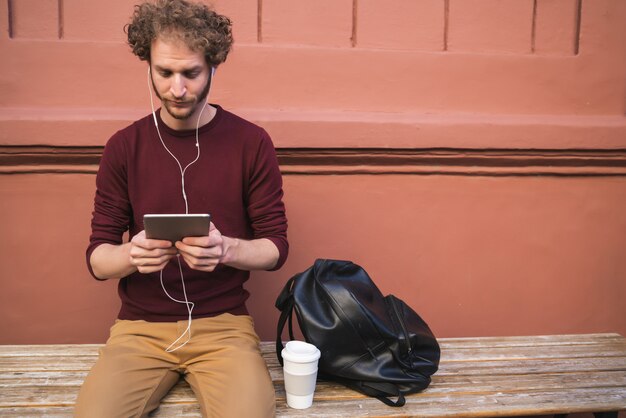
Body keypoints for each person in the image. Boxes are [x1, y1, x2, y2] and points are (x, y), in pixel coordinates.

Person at [74, 0, 288, 416]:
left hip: (223, 326)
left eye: (191, 73)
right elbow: (99, 259)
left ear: (213, 67)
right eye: (164, 72)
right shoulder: (124, 146)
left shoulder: (250, 142)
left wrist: (226, 249)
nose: (176, 88)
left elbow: (276, 247)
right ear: (147, 66)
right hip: (140, 329)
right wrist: (131, 255)